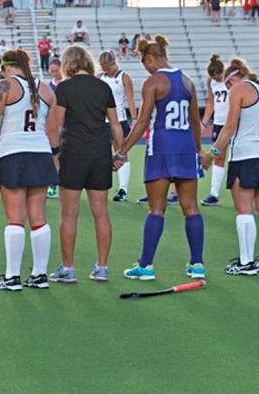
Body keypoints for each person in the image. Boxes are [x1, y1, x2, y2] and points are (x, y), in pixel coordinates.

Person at [0, 49, 58, 290]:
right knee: (39, 218)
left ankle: (12, 277)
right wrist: (56, 157)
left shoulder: (5, 86)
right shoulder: (47, 89)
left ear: (7, 66)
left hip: (13, 153)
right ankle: (40, 275)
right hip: (41, 152)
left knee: (15, 218)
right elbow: (52, 130)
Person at [117, 35, 205, 281]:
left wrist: (121, 152)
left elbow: (143, 121)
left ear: (151, 59)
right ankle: (197, 264)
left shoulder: (153, 81)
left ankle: (146, 266)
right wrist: (198, 150)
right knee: (191, 208)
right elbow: (195, 121)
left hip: (161, 146)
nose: (146, 67)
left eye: (145, 62)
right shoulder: (187, 81)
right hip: (186, 145)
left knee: (156, 209)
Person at [46, 45, 124, 284]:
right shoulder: (103, 87)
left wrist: (55, 155)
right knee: (101, 212)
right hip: (99, 152)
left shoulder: (64, 88)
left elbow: (56, 126)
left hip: (73, 152)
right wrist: (119, 153)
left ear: (68, 64)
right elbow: (115, 125)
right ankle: (102, 267)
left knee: (69, 213)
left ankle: (68, 268)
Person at [201, 57, 259, 275]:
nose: (227, 88)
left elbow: (229, 127)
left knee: (244, 210)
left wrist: (212, 153)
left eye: (228, 83)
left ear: (235, 76)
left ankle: (246, 263)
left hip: (245, 156)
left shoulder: (240, 90)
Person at [98, 50, 137, 202]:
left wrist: (134, 118)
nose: (106, 70)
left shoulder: (124, 77)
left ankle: (123, 189)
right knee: (102, 155)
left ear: (114, 62)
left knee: (121, 154)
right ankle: (101, 187)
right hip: (103, 121)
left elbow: (130, 99)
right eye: (104, 67)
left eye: (108, 66)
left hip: (119, 120)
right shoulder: (100, 78)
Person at [201, 55, 229, 206]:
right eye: (214, 78)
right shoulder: (211, 81)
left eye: (219, 77)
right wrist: (204, 122)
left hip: (235, 123)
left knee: (239, 158)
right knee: (219, 156)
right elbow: (211, 102)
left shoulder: (231, 79)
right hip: (219, 123)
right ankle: (214, 193)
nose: (217, 80)